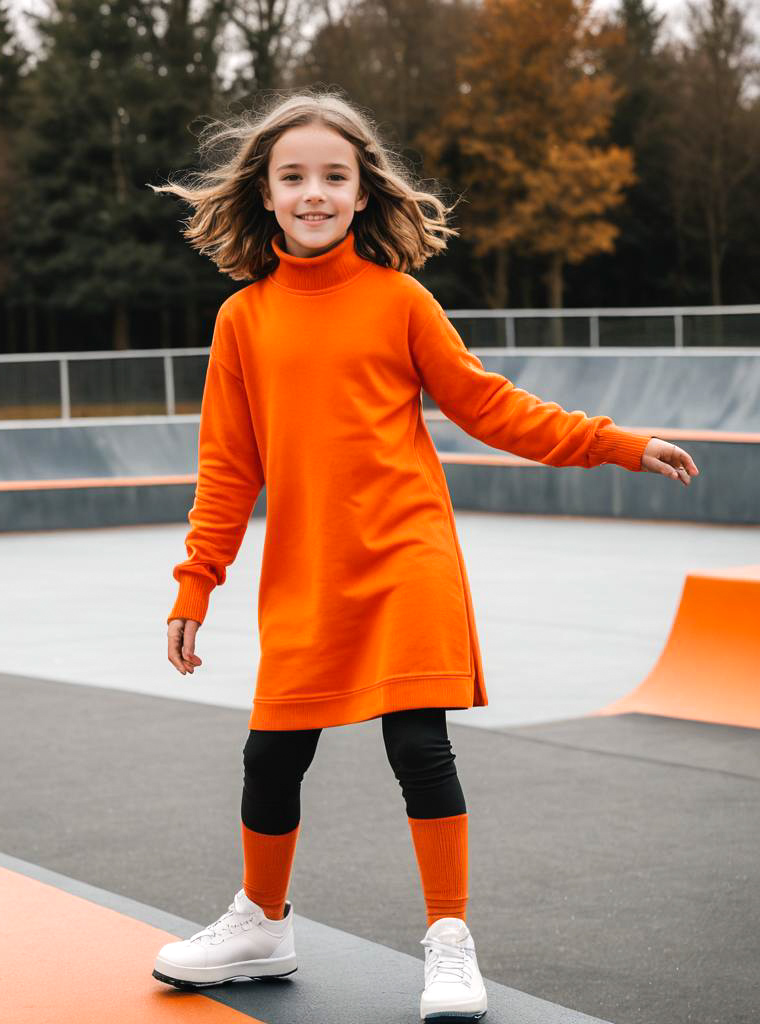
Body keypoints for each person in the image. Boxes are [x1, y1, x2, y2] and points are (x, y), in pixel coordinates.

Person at [148, 89, 699, 1021]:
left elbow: (489, 406)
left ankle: (450, 943)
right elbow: (227, 468)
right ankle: (261, 923)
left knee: (419, 743)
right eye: (295, 177)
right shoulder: (242, 320)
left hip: (408, 554)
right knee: (271, 755)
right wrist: (197, 580)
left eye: (335, 176)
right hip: (309, 574)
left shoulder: (400, 300)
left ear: (364, 194)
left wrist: (613, 441)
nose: (315, 192)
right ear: (267, 195)